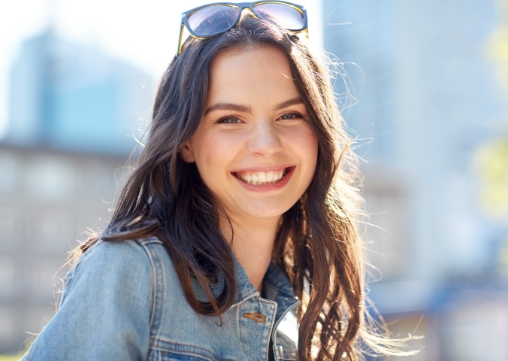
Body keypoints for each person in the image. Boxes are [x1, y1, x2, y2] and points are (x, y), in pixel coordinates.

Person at [21, 2, 412, 360]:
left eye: (290, 115)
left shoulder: (298, 322)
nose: (265, 145)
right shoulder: (133, 272)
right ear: (186, 141)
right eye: (229, 119)